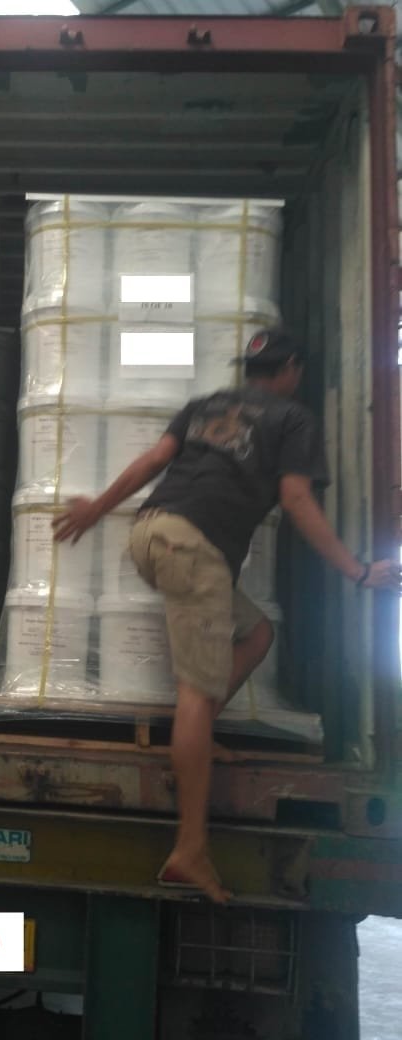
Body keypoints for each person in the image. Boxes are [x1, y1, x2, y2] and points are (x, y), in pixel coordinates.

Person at [52, 327, 400, 904]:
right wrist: (358, 572)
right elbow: (296, 499)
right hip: (193, 548)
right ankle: (189, 850)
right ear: (291, 370)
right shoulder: (293, 419)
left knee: (257, 633)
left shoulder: (207, 405)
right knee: (195, 690)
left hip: (152, 533)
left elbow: (153, 461)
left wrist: (97, 509)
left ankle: (199, 736)